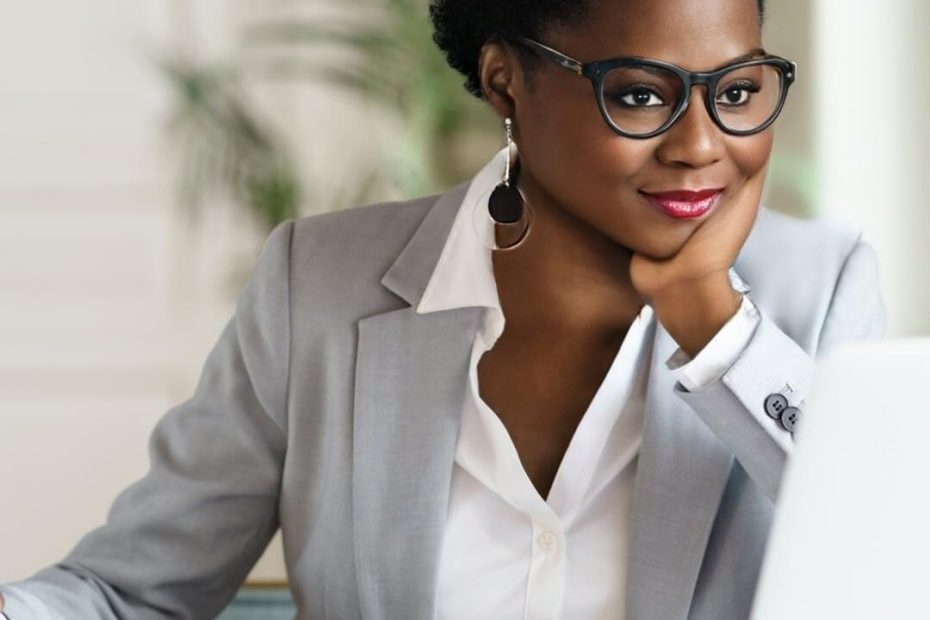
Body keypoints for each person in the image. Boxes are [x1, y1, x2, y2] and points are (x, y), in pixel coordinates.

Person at [0, 0, 886, 618]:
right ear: (505, 84)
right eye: (641, 94)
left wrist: (714, 327)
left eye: (736, 92)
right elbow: (128, 593)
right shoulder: (319, 285)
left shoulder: (818, 289)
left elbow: (889, 562)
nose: (701, 145)